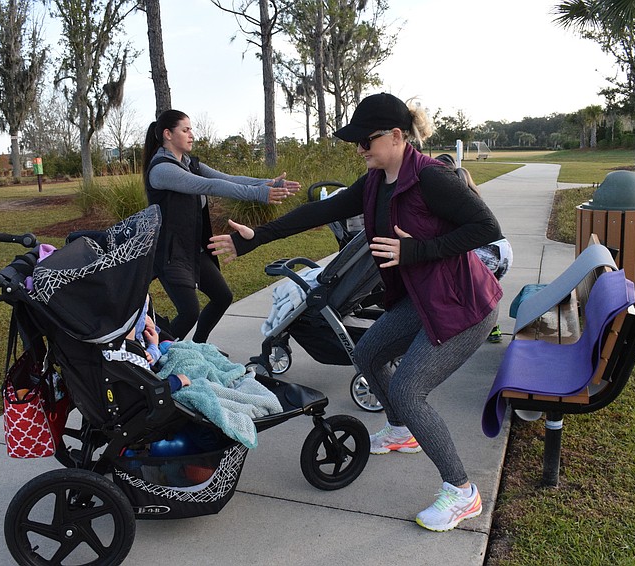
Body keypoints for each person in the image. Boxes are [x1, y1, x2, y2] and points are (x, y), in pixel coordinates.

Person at [209, 93, 504, 533]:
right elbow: (319, 210)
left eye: (367, 140)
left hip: (463, 306)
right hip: (423, 301)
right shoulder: (376, 182)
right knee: (367, 353)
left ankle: (462, 492)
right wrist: (256, 237)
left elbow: (487, 229)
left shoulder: (432, 179)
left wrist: (416, 250)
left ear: (398, 137)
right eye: (357, 141)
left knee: (408, 387)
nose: (360, 148)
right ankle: (403, 431)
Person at [143, 110, 301, 343]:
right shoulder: (162, 169)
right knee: (189, 313)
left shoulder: (189, 164)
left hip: (192, 249)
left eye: (191, 129)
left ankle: (199, 347)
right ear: (168, 134)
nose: (192, 135)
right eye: (185, 130)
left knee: (222, 296)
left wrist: (266, 183)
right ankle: (154, 355)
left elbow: (228, 178)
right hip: (170, 253)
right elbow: (211, 186)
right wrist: (259, 194)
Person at [437, 154, 514, 343]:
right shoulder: (471, 194)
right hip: (503, 250)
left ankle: (469, 330)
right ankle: (491, 328)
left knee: (459, 289)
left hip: (485, 253)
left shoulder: (450, 199)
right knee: (486, 294)